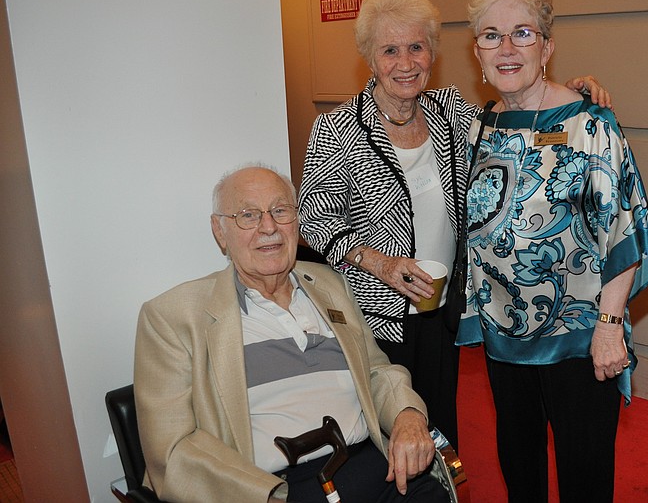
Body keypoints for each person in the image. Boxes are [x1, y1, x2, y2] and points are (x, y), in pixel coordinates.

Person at [298, 0, 610, 450]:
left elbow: (517, 120)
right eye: (389, 50)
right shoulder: (338, 127)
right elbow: (314, 218)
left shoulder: (450, 112)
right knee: (388, 431)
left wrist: (570, 95)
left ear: (432, 53)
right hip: (377, 313)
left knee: (441, 426)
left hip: (443, 309)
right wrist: (379, 263)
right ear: (370, 58)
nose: (405, 63)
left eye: (416, 47)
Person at [456, 0, 648, 502]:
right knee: (518, 458)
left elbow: (623, 230)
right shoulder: (480, 124)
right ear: (476, 52)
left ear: (547, 47)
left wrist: (610, 327)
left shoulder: (589, 124)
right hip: (504, 334)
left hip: (578, 338)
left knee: (584, 468)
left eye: (522, 33)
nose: (506, 48)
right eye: (491, 35)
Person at [134, 165, 448, 503]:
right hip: (275, 488)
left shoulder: (331, 285)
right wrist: (264, 496)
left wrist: (407, 414)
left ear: (297, 221)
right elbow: (173, 450)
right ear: (219, 231)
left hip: (373, 467)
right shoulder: (174, 316)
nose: (269, 227)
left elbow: (376, 371)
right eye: (248, 215)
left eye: (281, 211)